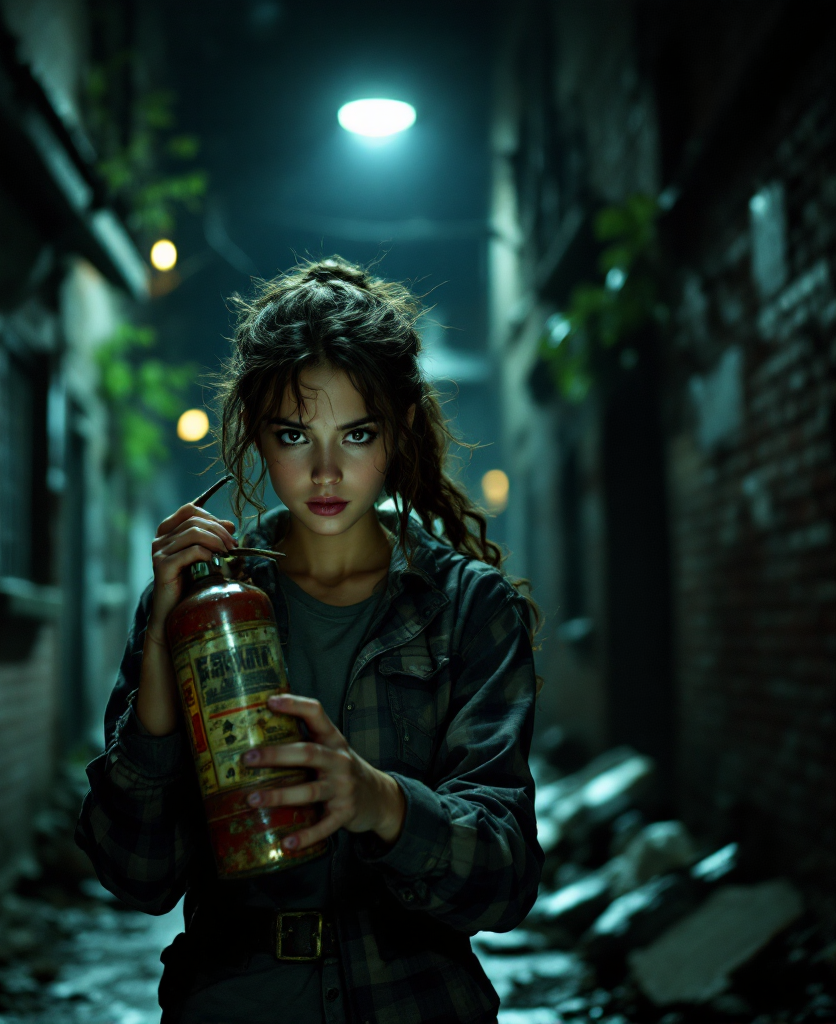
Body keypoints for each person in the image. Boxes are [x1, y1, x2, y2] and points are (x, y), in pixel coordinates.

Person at [76, 258, 544, 1024]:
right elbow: (136, 877)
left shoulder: (466, 607)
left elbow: (505, 878)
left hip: (415, 1006)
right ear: (256, 436)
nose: (326, 470)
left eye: (356, 433)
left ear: (397, 432)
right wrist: (164, 667)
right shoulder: (198, 602)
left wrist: (380, 800)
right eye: (295, 434)